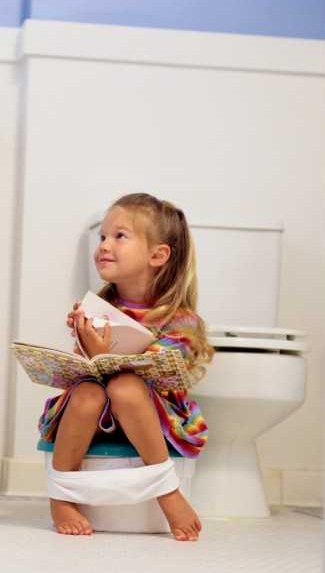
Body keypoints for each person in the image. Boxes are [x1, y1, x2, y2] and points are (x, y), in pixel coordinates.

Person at [39, 192, 212, 540]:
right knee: (87, 392)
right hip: (97, 414)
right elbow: (86, 373)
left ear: (158, 255)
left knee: (125, 386)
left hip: (152, 415)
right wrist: (88, 347)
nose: (104, 245)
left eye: (119, 236)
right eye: (103, 236)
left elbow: (164, 375)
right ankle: (62, 495)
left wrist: (113, 358)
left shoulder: (181, 320)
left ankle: (167, 490)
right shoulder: (97, 307)